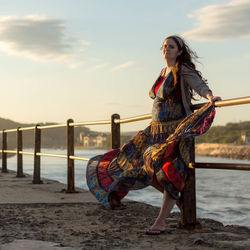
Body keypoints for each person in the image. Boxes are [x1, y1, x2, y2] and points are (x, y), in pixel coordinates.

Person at [86, 35, 221, 235]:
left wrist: (210, 97)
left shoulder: (182, 69)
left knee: (168, 171)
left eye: (171, 46)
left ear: (180, 51)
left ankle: (161, 221)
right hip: (155, 130)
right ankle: (180, 203)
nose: (166, 49)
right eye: (164, 46)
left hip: (174, 132)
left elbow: (198, 85)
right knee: (138, 163)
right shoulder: (162, 72)